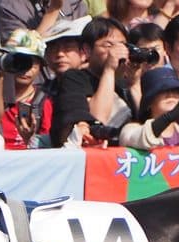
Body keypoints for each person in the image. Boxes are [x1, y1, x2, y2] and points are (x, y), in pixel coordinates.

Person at [49, 16, 136, 145]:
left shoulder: (123, 84)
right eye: (108, 45)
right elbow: (98, 119)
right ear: (87, 50)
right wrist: (109, 70)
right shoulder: (74, 78)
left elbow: (145, 121)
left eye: (122, 45)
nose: (117, 51)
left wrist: (136, 79)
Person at [0, 28, 54, 148]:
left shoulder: (45, 101)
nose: (26, 69)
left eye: (33, 63)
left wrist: (29, 139)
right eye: (19, 61)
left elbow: (48, 146)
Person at [0, 0, 88, 39]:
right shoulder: (10, 7)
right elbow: (22, 53)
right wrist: (53, 11)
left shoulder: (74, 2)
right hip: (39, 73)